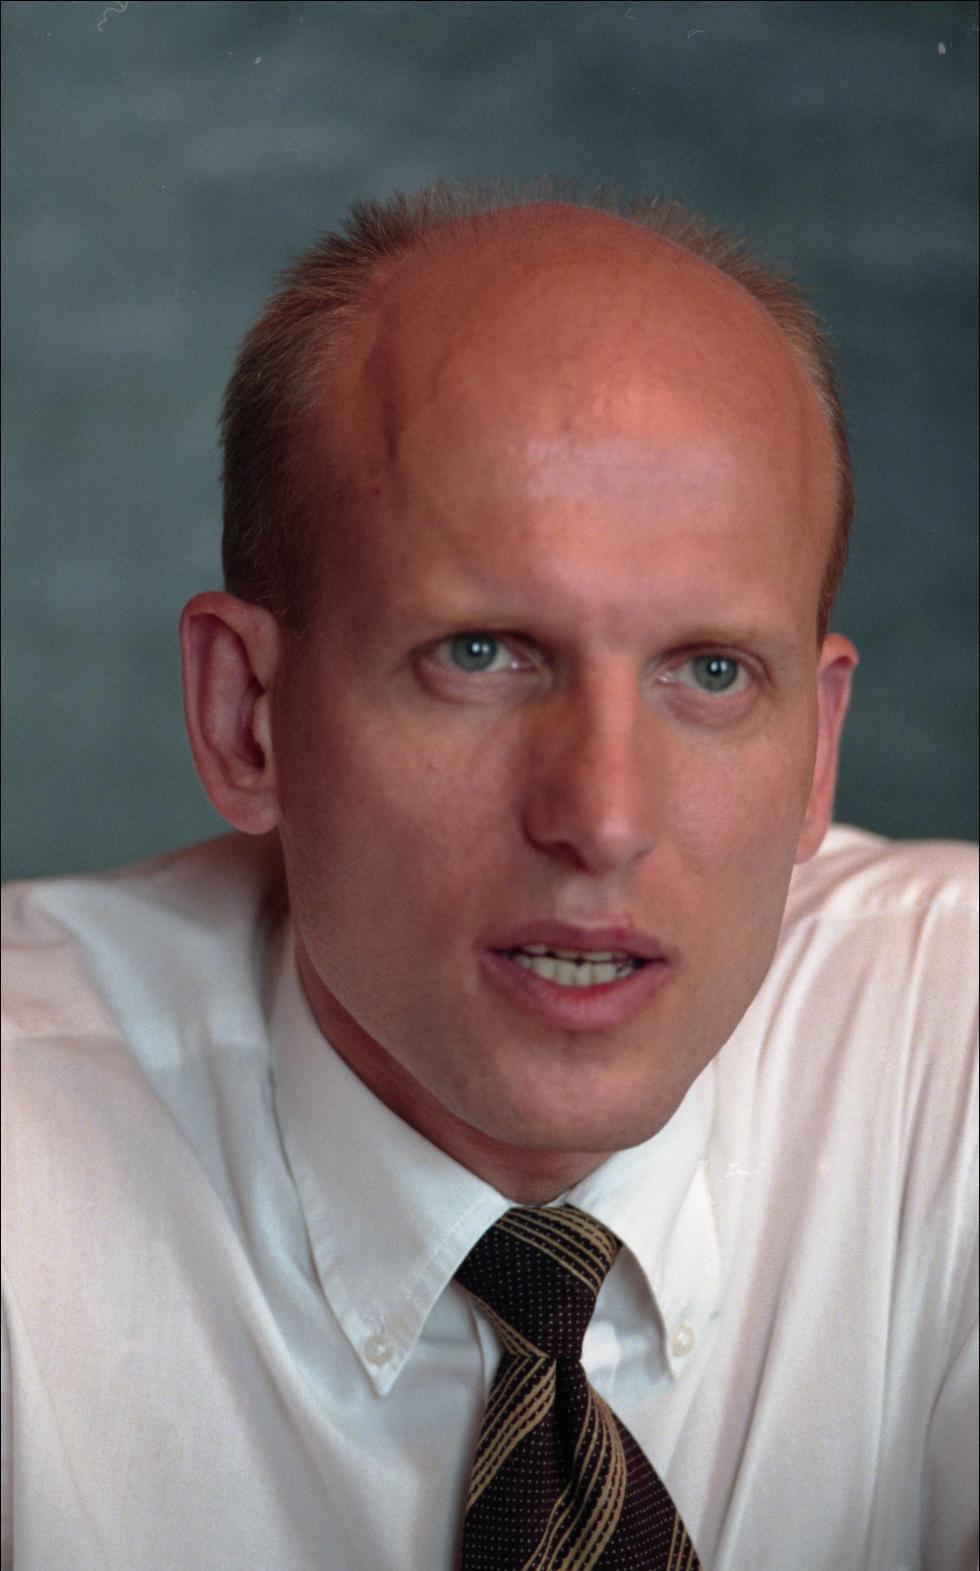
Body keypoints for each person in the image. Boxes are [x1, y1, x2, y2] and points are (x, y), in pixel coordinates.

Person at [2, 184, 976, 1571]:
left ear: (818, 751)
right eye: (479, 656)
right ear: (247, 718)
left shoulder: (953, 1055)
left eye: (710, 672)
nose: (604, 820)